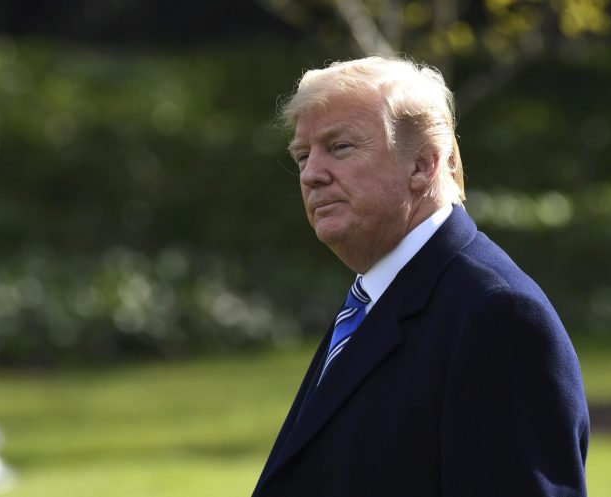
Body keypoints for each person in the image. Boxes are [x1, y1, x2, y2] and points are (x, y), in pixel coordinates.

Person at [252, 56, 589, 497]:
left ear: (423, 166)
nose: (312, 174)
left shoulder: (497, 315)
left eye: (340, 147)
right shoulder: (375, 295)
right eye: (302, 155)